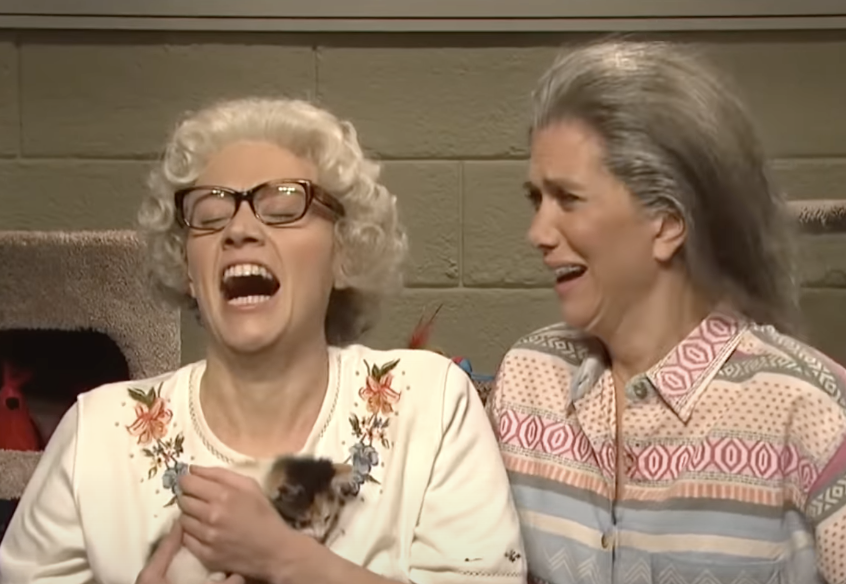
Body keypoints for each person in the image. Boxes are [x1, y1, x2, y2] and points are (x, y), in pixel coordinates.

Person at [0, 97, 526, 584]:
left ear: (344, 252)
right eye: (209, 213)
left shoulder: (430, 405)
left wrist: (283, 559)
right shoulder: (97, 435)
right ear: (187, 267)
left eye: (283, 206)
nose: (240, 229)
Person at [486, 39, 846, 584]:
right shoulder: (528, 380)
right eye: (537, 199)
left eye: (569, 199)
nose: (538, 233)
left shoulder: (809, 410)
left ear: (668, 223)